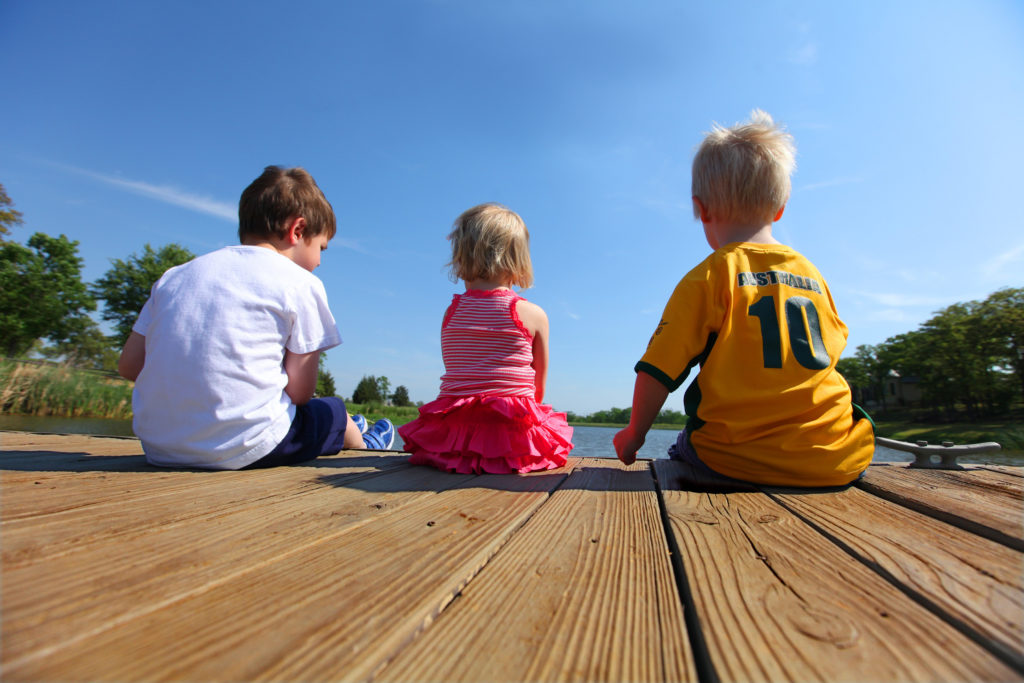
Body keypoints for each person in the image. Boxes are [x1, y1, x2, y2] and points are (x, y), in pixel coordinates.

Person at [613, 110, 874, 487]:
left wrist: (634, 434)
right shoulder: (812, 274)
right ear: (780, 208)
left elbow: (658, 370)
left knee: (685, 448)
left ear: (701, 209)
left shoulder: (710, 274)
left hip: (735, 459)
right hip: (837, 459)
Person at [117, 165, 394, 470]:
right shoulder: (301, 283)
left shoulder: (175, 276)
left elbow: (129, 366)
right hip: (250, 445)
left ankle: (353, 427)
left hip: (158, 446)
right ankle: (365, 441)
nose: (319, 262)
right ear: (297, 231)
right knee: (334, 411)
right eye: (321, 248)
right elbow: (300, 393)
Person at [399, 203, 574, 474]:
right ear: (518, 259)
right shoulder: (533, 314)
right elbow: (537, 388)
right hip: (510, 434)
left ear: (461, 256)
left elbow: (456, 370)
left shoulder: (452, 311)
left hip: (455, 430)